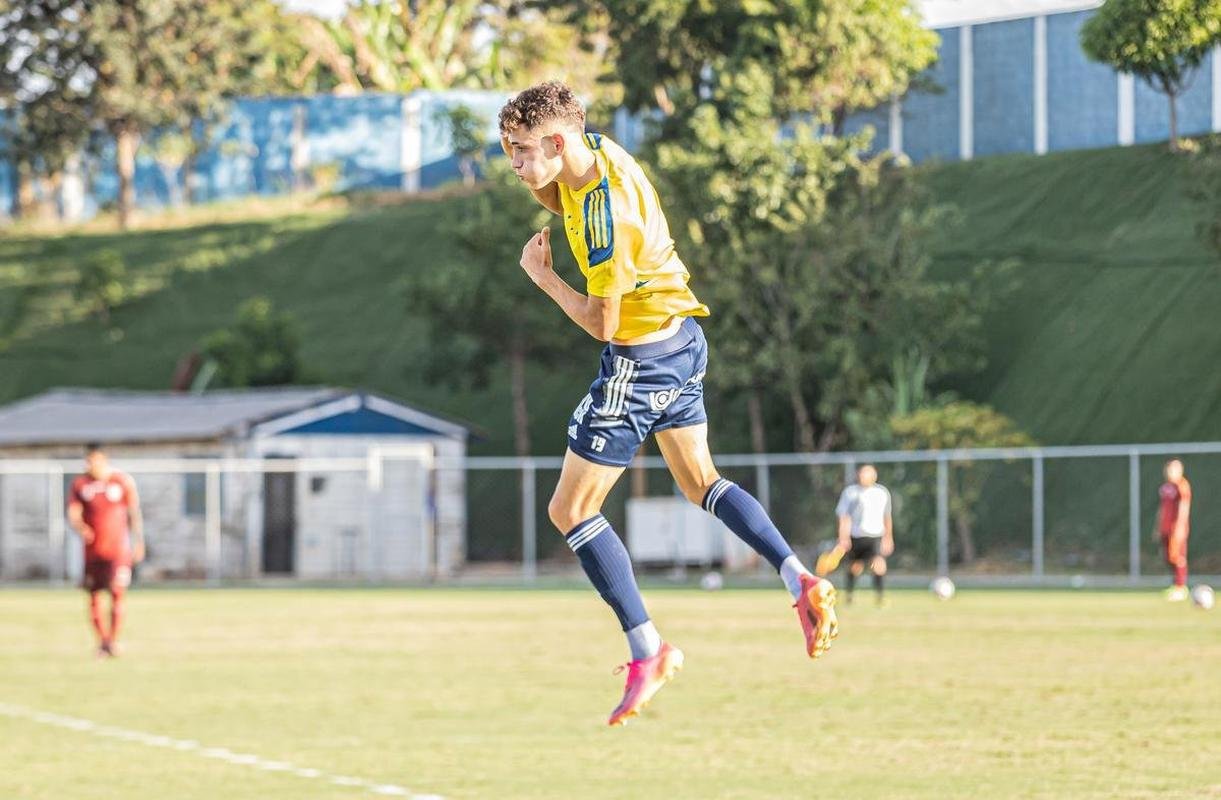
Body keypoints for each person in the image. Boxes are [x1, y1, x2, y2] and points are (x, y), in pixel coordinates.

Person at [498, 81, 837, 726]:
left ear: (557, 142)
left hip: (639, 360)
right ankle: (799, 578)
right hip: (684, 339)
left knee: (569, 508)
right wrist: (539, 175)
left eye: (520, 151)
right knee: (701, 482)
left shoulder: (605, 219)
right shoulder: (597, 150)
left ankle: (647, 648)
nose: (514, 164)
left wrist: (544, 277)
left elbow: (602, 324)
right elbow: (553, 187)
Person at [67, 443, 145, 657]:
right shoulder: (80, 483)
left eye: (94, 460)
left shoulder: (121, 481)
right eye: (87, 461)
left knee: (118, 593)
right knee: (93, 595)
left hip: (118, 551)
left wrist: (139, 541)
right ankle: (103, 641)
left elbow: (133, 513)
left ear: (103, 460)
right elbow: (73, 513)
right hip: (92, 552)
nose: (90, 465)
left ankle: (113, 640)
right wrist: (81, 527)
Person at [825, 465, 893, 605]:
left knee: (879, 565)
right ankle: (849, 596)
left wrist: (888, 537)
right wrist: (843, 537)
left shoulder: (881, 493)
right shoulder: (850, 492)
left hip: (875, 536)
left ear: (874, 476)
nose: (863, 476)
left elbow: (887, 517)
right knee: (855, 567)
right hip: (856, 536)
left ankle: (880, 597)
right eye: (862, 473)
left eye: (867, 474)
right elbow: (844, 516)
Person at [1156, 458, 1191, 601]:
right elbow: (1162, 509)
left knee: (1178, 557)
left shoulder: (1182, 485)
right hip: (1165, 528)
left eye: (1173, 469)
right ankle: (1175, 584)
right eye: (1168, 469)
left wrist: (1180, 526)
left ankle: (1180, 587)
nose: (1170, 472)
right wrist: (1157, 527)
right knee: (1168, 557)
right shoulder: (1165, 487)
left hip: (1176, 529)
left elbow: (1184, 506)